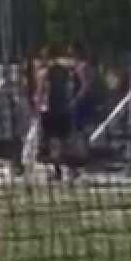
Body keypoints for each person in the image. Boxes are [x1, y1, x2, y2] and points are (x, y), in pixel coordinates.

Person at [35, 44, 83, 182]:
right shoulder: (65, 71)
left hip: (50, 109)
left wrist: (37, 107)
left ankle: (58, 171)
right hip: (63, 109)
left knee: (52, 142)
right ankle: (71, 170)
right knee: (64, 141)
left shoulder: (44, 73)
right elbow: (73, 85)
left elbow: (40, 92)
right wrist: (72, 101)